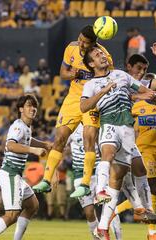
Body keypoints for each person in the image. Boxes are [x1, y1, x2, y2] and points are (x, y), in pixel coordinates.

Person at [80, 47, 156, 239]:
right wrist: (103, 90)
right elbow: (84, 106)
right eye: (96, 55)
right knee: (108, 156)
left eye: (102, 53)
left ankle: (139, 212)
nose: (102, 56)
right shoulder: (91, 84)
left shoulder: (121, 76)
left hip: (127, 130)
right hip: (110, 125)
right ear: (91, 64)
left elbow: (149, 93)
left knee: (138, 169)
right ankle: (100, 192)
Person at [33, 25, 113, 198]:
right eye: (80, 39)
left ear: (94, 43)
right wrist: (73, 74)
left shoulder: (102, 55)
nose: (81, 44)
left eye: (85, 42)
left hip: (91, 100)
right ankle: (46, 180)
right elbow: (63, 72)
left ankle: (85, 183)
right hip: (72, 99)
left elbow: (109, 80)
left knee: (89, 138)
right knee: (60, 137)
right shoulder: (71, 47)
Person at [0, 95, 52, 239]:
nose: (33, 109)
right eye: (29, 105)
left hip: (15, 174)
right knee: (11, 215)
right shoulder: (19, 126)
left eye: (34, 106)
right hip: (10, 173)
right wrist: (34, 150)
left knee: (32, 205)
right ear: (21, 109)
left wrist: (44, 144)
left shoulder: (26, 127)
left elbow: (27, 140)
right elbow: (11, 145)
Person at [69, 123, 122, 239]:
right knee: (89, 212)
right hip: (80, 175)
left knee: (109, 207)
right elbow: (61, 145)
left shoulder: (99, 123)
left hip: (99, 172)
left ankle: (119, 238)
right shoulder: (72, 125)